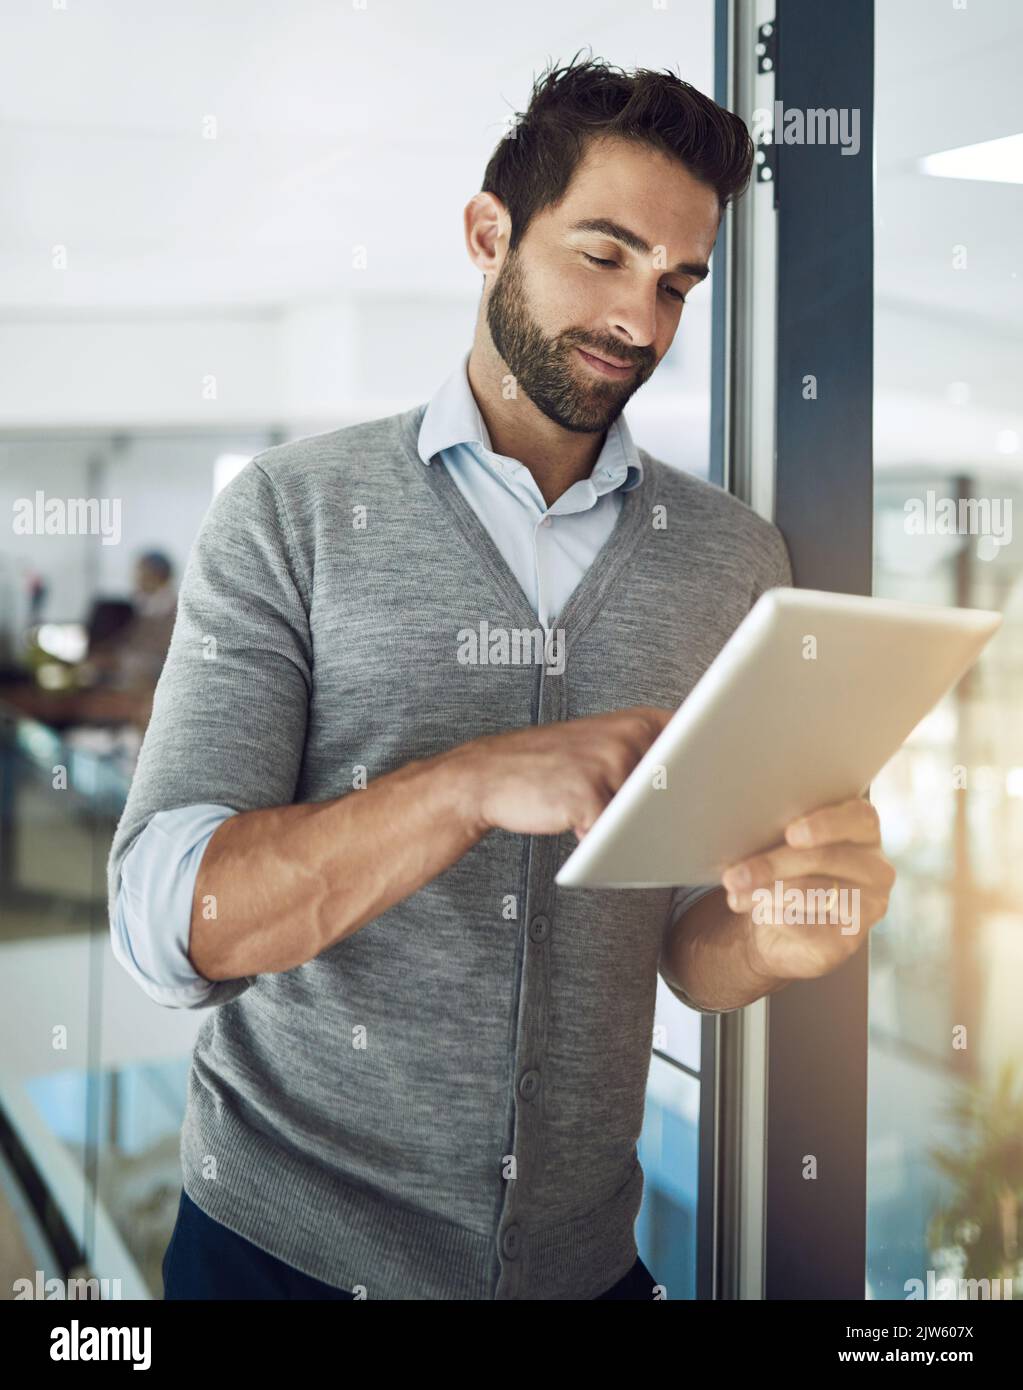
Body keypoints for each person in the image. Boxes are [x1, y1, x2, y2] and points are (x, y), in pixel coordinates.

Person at [107, 55, 895, 1301]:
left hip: (587, 1274)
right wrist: (464, 786)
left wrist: (779, 936)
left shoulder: (736, 563)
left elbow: (690, 949)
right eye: (605, 253)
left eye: (678, 281)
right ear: (490, 233)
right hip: (280, 1261)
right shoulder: (289, 517)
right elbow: (166, 922)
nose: (643, 319)